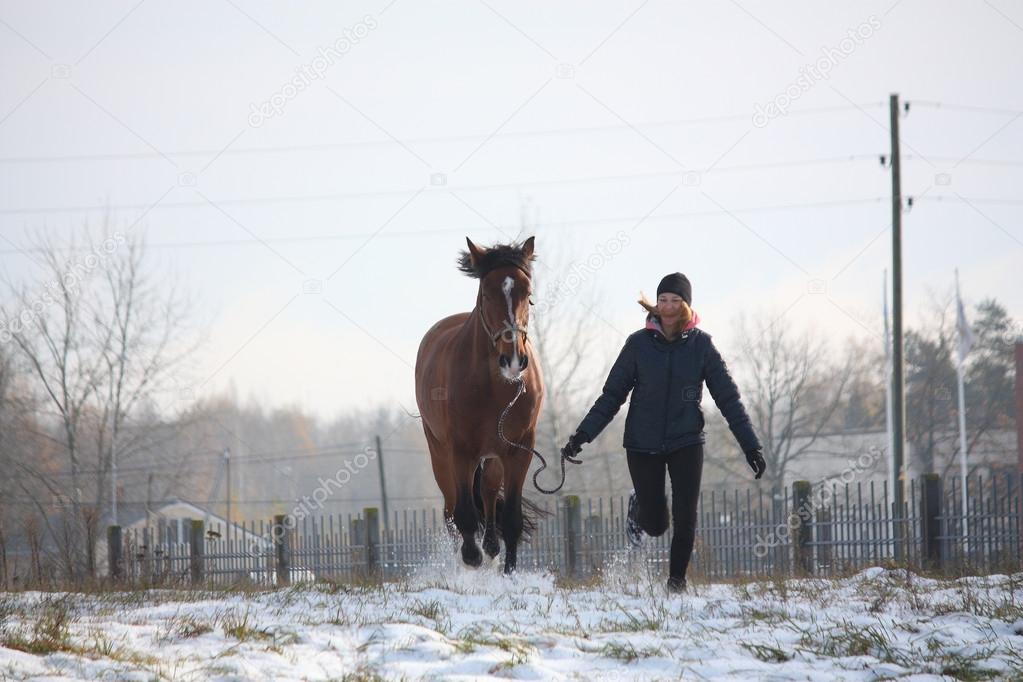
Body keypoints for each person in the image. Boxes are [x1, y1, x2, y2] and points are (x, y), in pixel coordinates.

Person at [561, 272, 766, 594]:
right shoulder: (638, 345)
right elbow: (612, 396)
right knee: (656, 525)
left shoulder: (702, 346)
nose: (668, 307)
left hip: (686, 441)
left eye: (675, 300)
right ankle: (640, 505)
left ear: (686, 305)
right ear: (655, 303)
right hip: (642, 444)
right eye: (663, 300)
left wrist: (751, 446)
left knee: (686, 515)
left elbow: (729, 399)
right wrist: (581, 436)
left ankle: (676, 583)